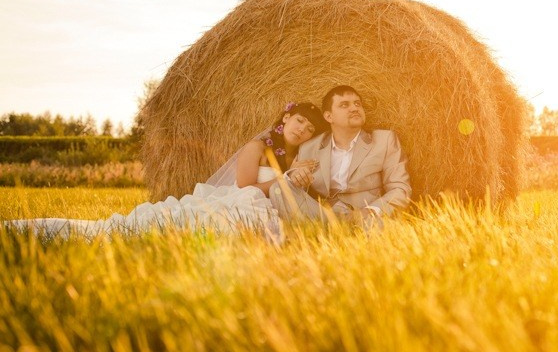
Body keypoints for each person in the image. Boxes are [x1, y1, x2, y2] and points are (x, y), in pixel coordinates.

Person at [3, 101, 328, 240]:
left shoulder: (297, 160)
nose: (303, 129)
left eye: (311, 128)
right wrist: (284, 180)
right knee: (122, 230)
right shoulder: (255, 147)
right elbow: (244, 185)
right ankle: (25, 229)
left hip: (259, 209)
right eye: (300, 120)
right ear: (285, 119)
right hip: (237, 202)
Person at [269, 85, 411, 229]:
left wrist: (369, 211)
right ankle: (331, 231)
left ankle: (326, 235)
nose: (354, 108)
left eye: (357, 104)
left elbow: (400, 189)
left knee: (380, 226)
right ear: (329, 116)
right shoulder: (310, 147)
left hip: (362, 216)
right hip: (321, 214)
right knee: (278, 188)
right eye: (344, 105)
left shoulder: (384, 140)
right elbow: (297, 183)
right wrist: (297, 177)